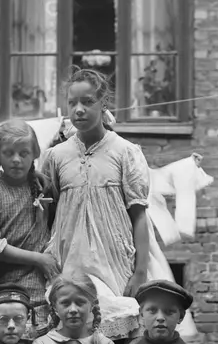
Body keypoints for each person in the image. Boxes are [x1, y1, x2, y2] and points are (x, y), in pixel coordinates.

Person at [42, 68, 152, 323]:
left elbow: (139, 215)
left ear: (104, 104)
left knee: (114, 327)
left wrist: (140, 273)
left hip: (114, 262)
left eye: (88, 102)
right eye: (72, 102)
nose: (79, 109)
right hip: (69, 259)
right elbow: (49, 213)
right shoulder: (56, 156)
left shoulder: (125, 152)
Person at [0, 119, 59, 332]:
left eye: (24, 153)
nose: (16, 160)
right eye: (8, 153)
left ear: (35, 154)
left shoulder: (43, 186)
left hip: (42, 291)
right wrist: (40, 259)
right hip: (4, 292)